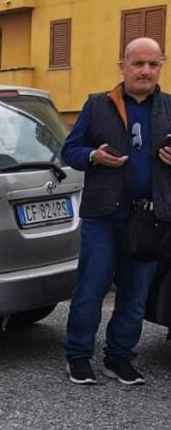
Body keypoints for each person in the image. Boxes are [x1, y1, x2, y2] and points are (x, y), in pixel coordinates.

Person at [61, 37, 171, 386]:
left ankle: (120, 359)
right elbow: (70, 151)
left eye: (153, 64)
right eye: (138, 63)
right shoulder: (98, 105)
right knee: (91, 291)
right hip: (103, 217)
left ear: (160, 67)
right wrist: (94, 156)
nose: (145, 70)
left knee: (135, 296)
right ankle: (78, 357)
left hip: (151, 219)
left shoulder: (169, 107)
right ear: (122, 67)